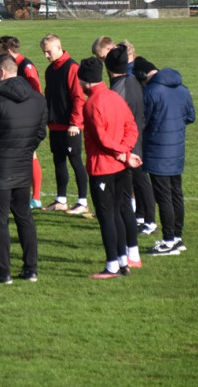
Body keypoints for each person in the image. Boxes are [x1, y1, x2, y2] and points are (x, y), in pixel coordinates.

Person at [0, 54, 47, 284]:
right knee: (24, 216)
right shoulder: (37, 99)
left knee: (0, 220)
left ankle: (3, 271)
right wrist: (26, 151)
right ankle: (31, 268)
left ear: (2, 73)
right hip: (23, 166)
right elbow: (40, 133)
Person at [77, 58, 142, 279]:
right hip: (121, 167)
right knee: (119, 213)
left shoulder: (91, 104)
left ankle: (112, 265)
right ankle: (123, 261)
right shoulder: (114, 96)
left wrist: (122, 152)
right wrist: (126, 151)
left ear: (85, 82)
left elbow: (101, 138)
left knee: (107, 218)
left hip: (102, 167)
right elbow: (131, 126)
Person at [133, 57, 195, 256]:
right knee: (176, 193)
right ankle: (177, 237)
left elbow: (143, 122)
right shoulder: (183, 89)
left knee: (164, 197)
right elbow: (190, 117)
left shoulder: (151, 92)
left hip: (158, 152)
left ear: (143, 77)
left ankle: (168, 241)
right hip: (177, 150)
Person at [105, 45, 156, 236]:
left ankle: (150, 220)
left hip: (128, 138)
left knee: (140, 180)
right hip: (136, 134)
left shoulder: (119, 88)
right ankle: (142, 215)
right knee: (137, 179)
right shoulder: (133, 81)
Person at [40, 34, 88, 215]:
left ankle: (82, 201)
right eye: (44, 52)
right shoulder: (50, 70)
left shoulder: (72, 68)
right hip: (55, 125)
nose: (46, 56)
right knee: (58, 161)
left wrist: (75, 123)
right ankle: (61, 200)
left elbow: (78, 98)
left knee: (76, 161)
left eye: (48, 52)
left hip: (71, 127)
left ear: (59, 48)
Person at [0, 35, 44, 209]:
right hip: (15, 117)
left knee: (31, 155)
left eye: (0, 50)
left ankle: (36, 197)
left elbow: (37, 93)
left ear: (8, 51)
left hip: (28, 118)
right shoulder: (13, 65)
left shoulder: (27, 66)